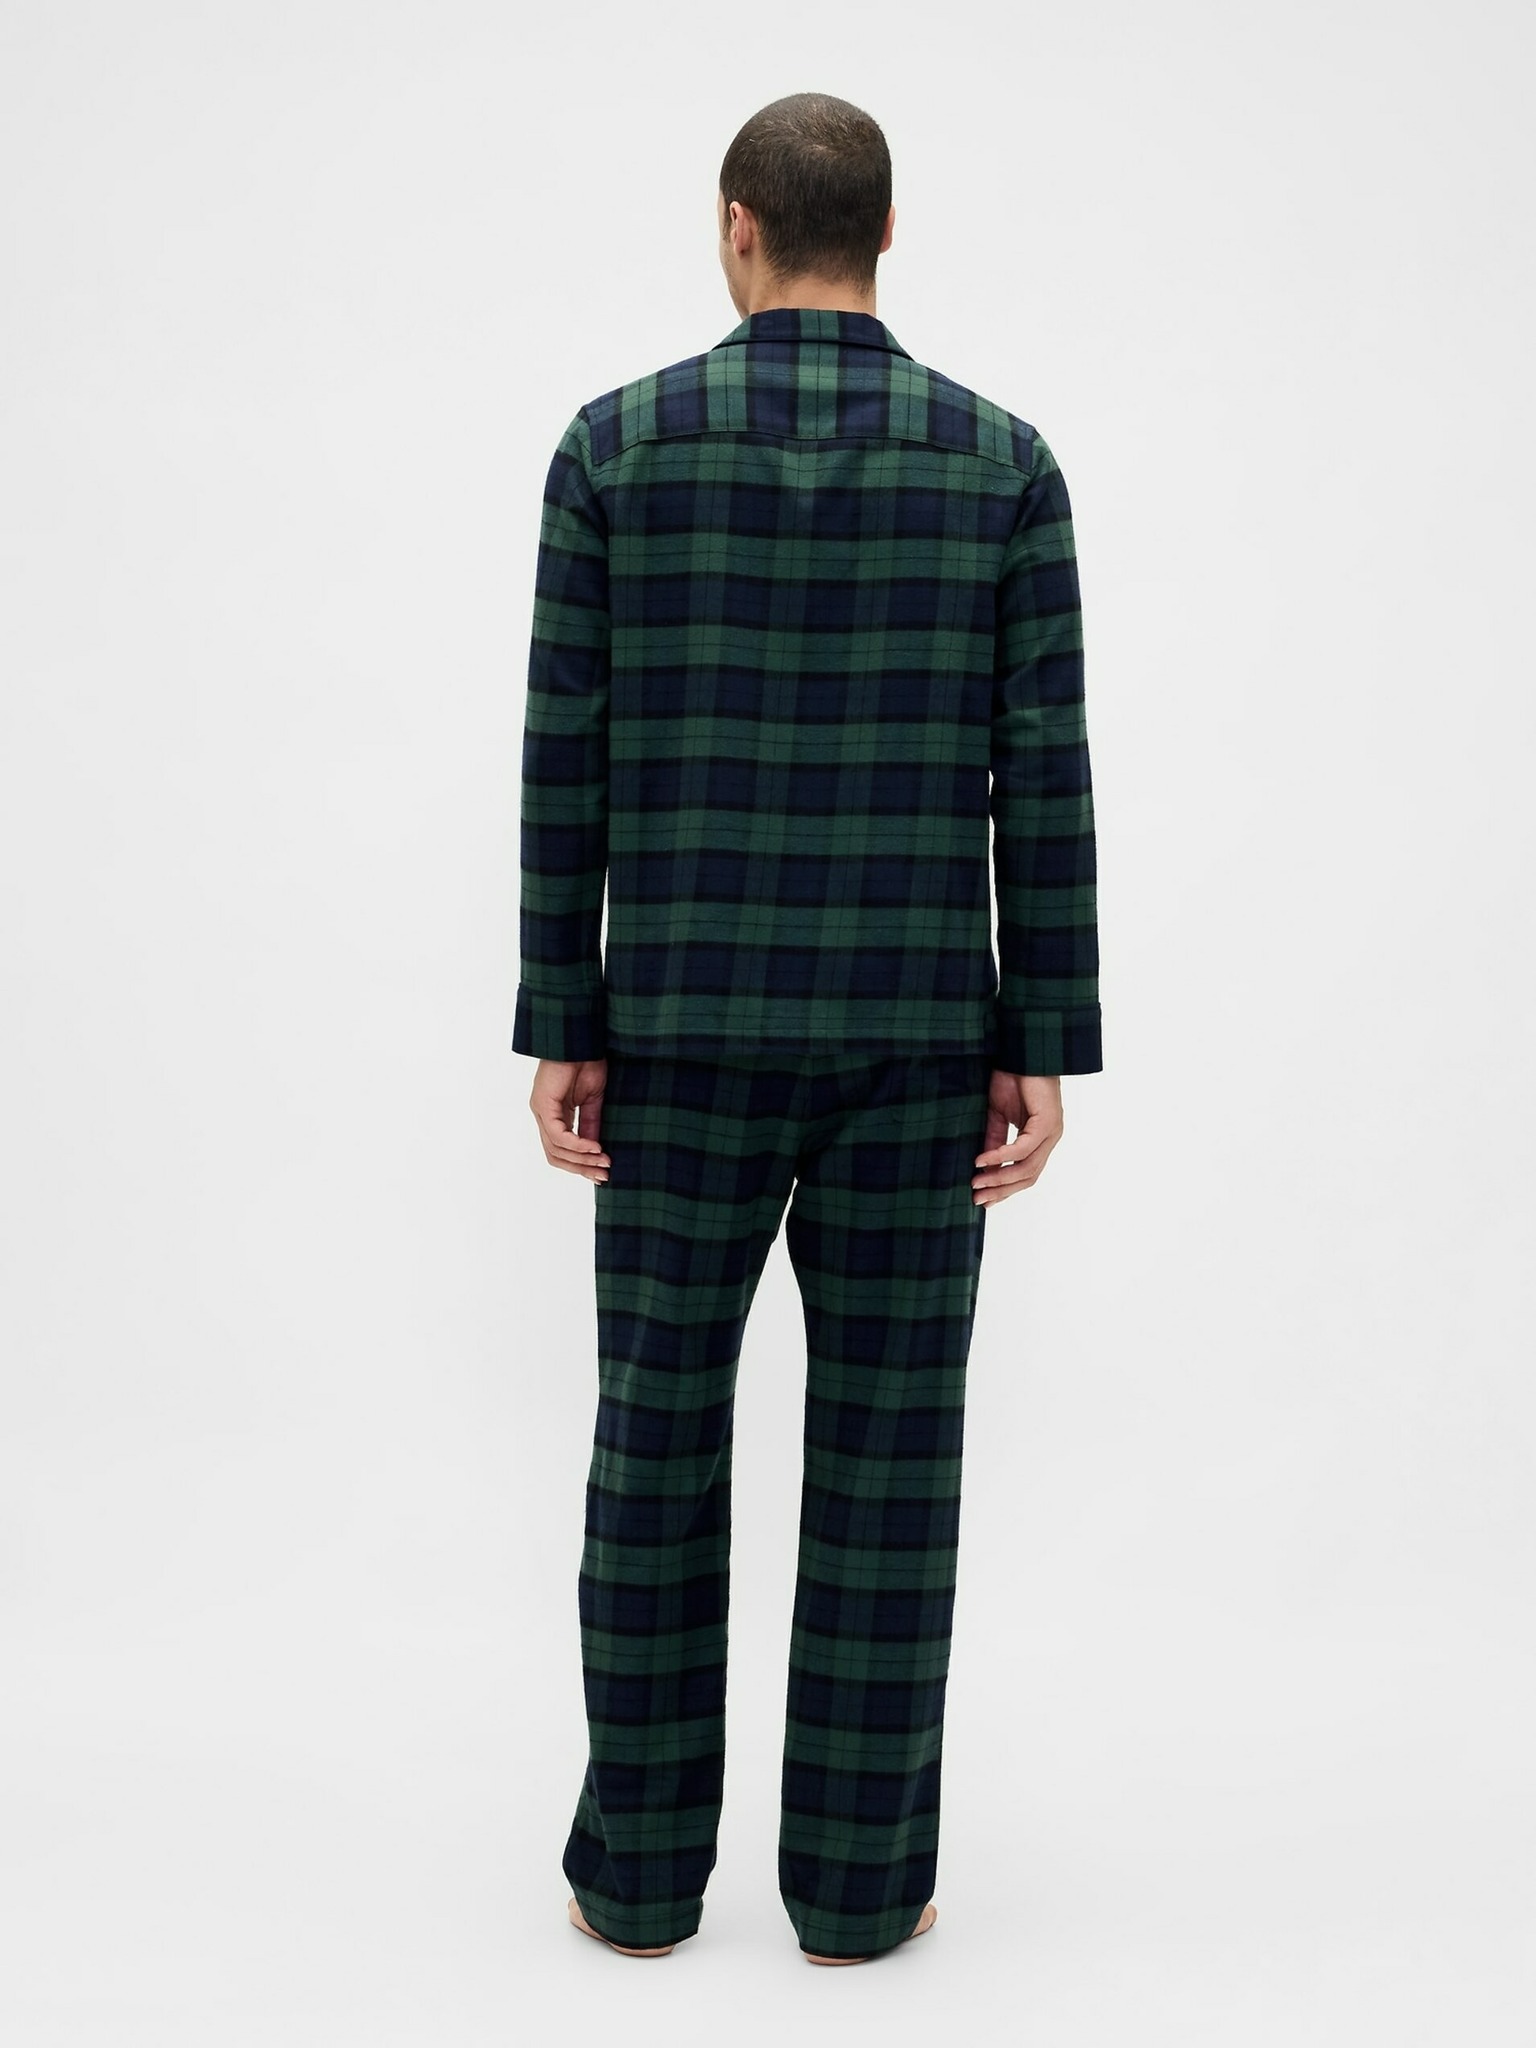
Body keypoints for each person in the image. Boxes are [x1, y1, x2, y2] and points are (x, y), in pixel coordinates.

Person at [512, 90, 1102, 1966]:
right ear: (889, 234)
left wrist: (564, 1017)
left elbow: (565, 761)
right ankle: (856, 1895)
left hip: (675, 1040)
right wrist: (1040, 1037)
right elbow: (1043, 778)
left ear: (738, 225)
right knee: (887, 1472)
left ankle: (635, 1886)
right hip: (916, 1047)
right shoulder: (1004, 466)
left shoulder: (614, 449)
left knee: (652, 1457)